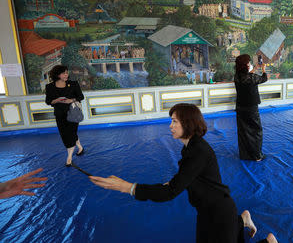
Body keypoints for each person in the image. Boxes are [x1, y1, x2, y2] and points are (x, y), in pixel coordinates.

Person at [89, 103, 277, 243]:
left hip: (220, 212)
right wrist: (172, 183)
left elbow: (171, 192)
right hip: (206, 211)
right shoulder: (190, 147)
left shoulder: (198, 152)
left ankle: (268, 241)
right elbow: (186, 178)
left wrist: (127, 187)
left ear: (187, 123)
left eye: (174, 121)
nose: (170, 126)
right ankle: (241, 220)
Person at [45, 65, 85, 167]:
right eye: (64, 73)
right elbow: (48, 101)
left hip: (73, 113)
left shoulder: (73, 84)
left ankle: (69, 157)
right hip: (59, 114)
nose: (66, 75)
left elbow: (81, 96)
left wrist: (71, 100)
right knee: (65, 134)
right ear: (57, 75)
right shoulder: (49, 87)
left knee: (71, 133)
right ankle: (80, 147)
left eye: (67, 72)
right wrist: (57, 100)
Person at [234, 54, 267, 161]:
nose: (250, 64)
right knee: (256, 130)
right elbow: (263, 78)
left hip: (240, 107)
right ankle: (257, 155)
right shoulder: (251, 78)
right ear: (246, 65)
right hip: (251, 108)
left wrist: (255, 68)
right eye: (248, 62)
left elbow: (248, 78)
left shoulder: (237, 76)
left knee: (243, 131)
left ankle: (245, 155)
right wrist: (263, 69)